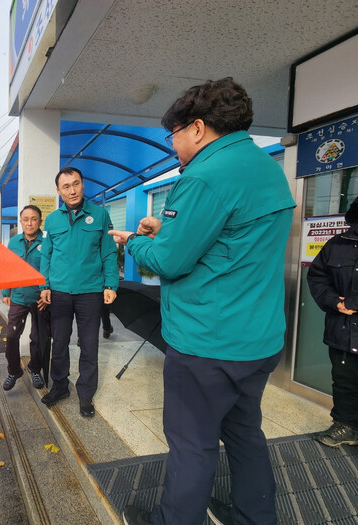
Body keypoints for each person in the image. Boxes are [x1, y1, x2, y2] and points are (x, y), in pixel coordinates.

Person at [110, 78, 296, 525]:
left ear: (196, 128)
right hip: (260, 339)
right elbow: (231, 242)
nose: (173, 146)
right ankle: (254, 516)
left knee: (192, 442)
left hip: (208, 345)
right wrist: (167, 231)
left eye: (172, 135)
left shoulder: (204, 176)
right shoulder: (266, 168)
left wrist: (134, 241)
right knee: (245, 432)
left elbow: (169, 262)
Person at [39, 167, 118, 417]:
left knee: (89, 345)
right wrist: (44, 286)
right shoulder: (52, 220)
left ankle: (86, 394)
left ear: (83, 184)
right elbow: (46, 255)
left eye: (76, 184)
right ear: (58, 191)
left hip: (90, 292)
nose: (72, 190)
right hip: (59, 292)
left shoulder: (100, 215)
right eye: (66, 186)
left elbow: (108, 252)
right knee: (60, 343)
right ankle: (60, 387)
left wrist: (111, 285)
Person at [307, 197, 358, 448]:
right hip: (342, 330)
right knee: (344, 381)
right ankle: (345, 426)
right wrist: (334, 302)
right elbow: (317, 277)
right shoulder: (337, 244)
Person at [1, 205, 50, 391]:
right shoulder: (14, 242)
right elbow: (8, 268)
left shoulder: (47, 241)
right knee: (12, 335)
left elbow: (51, 268)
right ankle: (14, 370)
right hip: (19, 297)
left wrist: (48, 291)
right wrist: (6, 292)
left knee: (38, 337)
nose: (30, 223)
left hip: (40, 299)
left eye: (34, 219)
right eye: (26, 219)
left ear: (40, 221)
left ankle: (35, 369)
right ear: (21, 221)